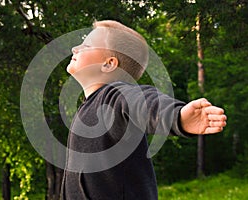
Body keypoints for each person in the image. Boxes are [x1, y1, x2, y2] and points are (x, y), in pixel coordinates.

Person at [61, 20, 227, 200]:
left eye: (86, 45)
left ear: (109, 64)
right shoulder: (86, 108)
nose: (75, 48)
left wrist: (177, 117)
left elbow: (144, 101)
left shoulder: (115, 95)